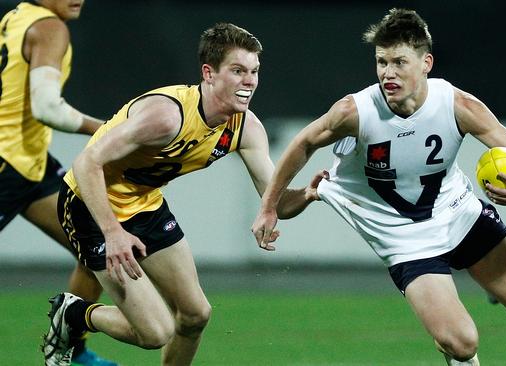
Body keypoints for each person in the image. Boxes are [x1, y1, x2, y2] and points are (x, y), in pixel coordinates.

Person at [252, 8, 506, 366]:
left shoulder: (458, 105)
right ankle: (454, 351)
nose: (388, 73)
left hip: (459, 213)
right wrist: (268, 207)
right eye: (381, 62)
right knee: (463, 343)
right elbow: (304, 143)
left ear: (426, 63)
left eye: (400, 62)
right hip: (403, 238)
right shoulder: (355, 112)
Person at [41, 22, 323, 366]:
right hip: (89, 204)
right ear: (209, 73)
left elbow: (274, 200)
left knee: (195, 315)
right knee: (155, 333)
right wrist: (113, 232)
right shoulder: (166, 116)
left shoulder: (245, 127)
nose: (249, 81)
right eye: (237, 70)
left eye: (254, 71)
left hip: (145, 204)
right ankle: (71, 314)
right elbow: (87, 163)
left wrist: (307, 194)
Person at [0, 1, 116, 365]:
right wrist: (110, 130)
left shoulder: (14, 18)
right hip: (8, 165)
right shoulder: (50, 27)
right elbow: (48, 108)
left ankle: (67, 351)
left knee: (97, 246)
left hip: (30, 167)